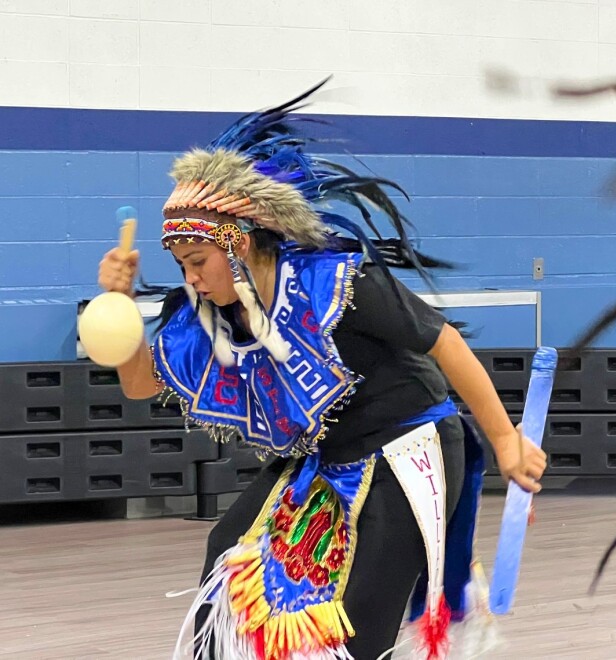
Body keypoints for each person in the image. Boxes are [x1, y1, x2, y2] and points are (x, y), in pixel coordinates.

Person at [96, 80, 547, 660]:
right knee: (228, 555)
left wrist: (507, 441)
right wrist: (121, 311)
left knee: (361, 623)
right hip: (322, 457)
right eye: (182, 265)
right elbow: (138, 383)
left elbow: (446, 343)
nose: (192, 278)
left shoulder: (335, 283)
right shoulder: (210, 317)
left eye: (199, 262)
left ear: (238, 244)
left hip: (408, 447)